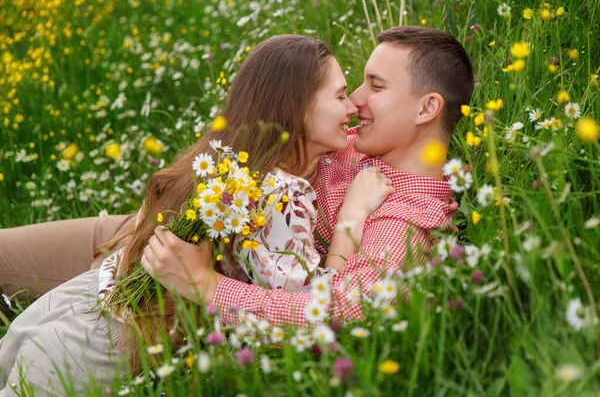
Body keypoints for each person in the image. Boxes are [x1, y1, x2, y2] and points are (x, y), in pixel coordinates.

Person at [0, 35, 393, 396]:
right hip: (105, 342)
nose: (352, 105)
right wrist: (352, 214)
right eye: (340, 95)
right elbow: (309, 310)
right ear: (299, 106)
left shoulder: (231, 157)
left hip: (88, 294)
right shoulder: (282, 193)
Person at [140, 25, 474, 327]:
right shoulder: (364, 141)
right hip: (146, 235)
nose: (356, 101)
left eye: (376, 86)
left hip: (157, 300)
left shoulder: (403, 224)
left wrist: (203, 284)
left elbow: (342, 313)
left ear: (427, 109)